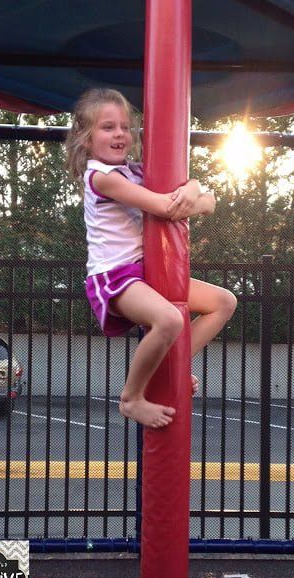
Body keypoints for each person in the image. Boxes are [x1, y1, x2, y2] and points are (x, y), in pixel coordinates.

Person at [66, 88, 237, 429]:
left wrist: (193, 188)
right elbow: (166, 207)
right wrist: (194, 197)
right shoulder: (101, 178)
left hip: (146, 272)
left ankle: (173, 365)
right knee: (170, 320)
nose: (119, 134)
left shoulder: (134, 171)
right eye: (107, 127)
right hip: (114, 277)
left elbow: (206, 199)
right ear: (86, 138)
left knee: (223, 302)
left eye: (125, 127)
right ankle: (131, 398)